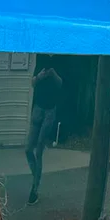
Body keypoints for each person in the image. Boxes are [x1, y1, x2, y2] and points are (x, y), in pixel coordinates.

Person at [25, 61, 62, 205]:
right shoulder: (40, 58)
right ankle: (36, 177)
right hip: (38, 108)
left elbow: (61, 84)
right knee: (28, 149)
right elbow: (33, 82)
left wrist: (53, 74)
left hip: (50, 111)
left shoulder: (60, 61)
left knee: (39, 150)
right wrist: (40, 76)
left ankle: (34, 189)